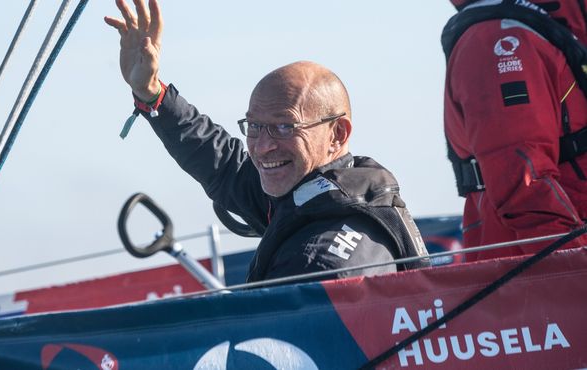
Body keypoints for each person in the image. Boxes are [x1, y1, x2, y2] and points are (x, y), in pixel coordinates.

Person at [105, 0, 429, 283]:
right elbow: (223, 165)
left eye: (285, 127)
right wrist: (152, 94)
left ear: (337, 134)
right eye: (255, 127)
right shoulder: (317, 194)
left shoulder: (317, 262)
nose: (262, 147)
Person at [442, 0, 587, 260]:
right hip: (543, 276)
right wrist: (574, 265)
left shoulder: (546, 31)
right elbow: (521, 181)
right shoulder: (499, 38)